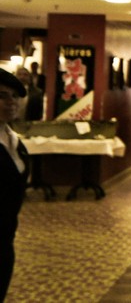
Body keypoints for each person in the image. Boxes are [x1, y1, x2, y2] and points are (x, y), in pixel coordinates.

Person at [0, 69, 30, 301]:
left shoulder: (15, 141)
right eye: (2, 96)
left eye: (15, 96)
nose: (11, 102)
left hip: (5, 240)